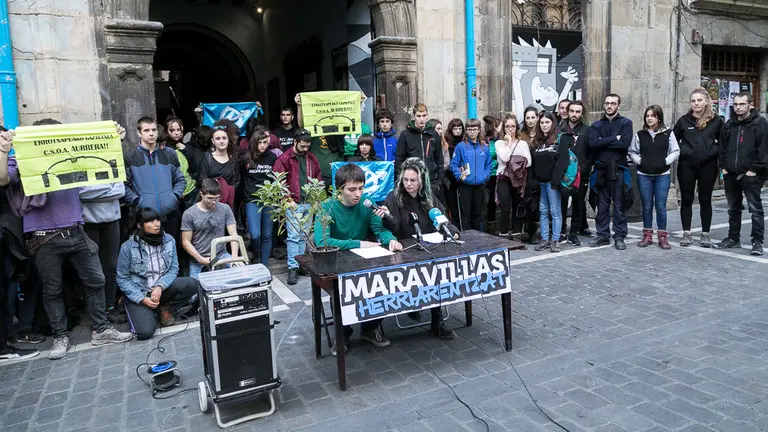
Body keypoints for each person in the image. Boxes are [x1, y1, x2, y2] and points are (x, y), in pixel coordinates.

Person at [1, 123, 133, 360]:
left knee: (96, 279)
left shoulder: (71, 158)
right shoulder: (20, 160)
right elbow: (2, 179)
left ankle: (101, 330)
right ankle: (60, 337)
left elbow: (100, 160)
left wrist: (115, 140)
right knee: (52, 290)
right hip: (43, 237)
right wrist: (3, 151)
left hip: (76, 230)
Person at [314, 164, 402, 355]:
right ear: (340, 189)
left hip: (363, 258)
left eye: (361, 188)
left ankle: (370, 328)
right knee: (339, 290)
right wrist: (358, 243)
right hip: (337, 259)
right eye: (351, 189)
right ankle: (343, 334)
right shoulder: (327, 207)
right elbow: (322, 241)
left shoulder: (366, 203)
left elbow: (379, 230)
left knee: (383, 280)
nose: (357, 194)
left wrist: (391, 240)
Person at [380, 157, 457, 339]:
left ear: (422, 181)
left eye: (413, 180)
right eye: (405, 180)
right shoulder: (393, 198)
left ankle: (437, 320)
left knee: (437, 270)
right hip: (403, 251)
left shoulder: (429, 198)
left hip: (427, 248)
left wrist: (453, 232)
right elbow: (389, 228)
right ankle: (412, 305)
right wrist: (387, 219)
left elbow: (442, 219)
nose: (408, 184)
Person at [117, 208, 199, 339]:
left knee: (193, 284)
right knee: (145, 332)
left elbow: (173, 268)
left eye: (157, 220)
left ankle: (165, 306)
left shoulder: (169, 240)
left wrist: (160, 286)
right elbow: (122, 278)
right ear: (140, 225)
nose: (156, 224)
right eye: (150, 221)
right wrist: (142, 299)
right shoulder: (128, 247)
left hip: (162, 290)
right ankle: (141, 308)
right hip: (140, 292)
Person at [716, 91, 768, 255]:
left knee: (755, 210)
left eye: (742, 104)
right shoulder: (729, 125)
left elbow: (764, 149)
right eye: (736, 104)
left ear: (750, 105)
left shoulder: (759, 123)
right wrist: (723, 168)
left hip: (751, 174)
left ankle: (757, 242)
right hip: (731, 173)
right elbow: (722, 148)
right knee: (733, 208)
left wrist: (754, 170)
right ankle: (733, 238)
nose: (738, 107)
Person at [673, 88, 724, 248]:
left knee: (705, 199)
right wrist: (682, 151)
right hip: (686, 165)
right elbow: (672, 141)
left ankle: (705, 234)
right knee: (687, 199)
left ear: (706, 101)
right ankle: (686, 233)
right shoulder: (684, 121)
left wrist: (715, 154)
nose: (696, 103)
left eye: (699, 100)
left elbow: (723, 143)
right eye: (693, 101)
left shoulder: (716, 121)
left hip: (708, 165)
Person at [123, 117, 187, 240]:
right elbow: (123, 185)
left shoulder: (169, 154)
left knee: (171, 248)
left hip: (170, 214)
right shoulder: (130, 157)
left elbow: (180, 179)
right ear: (139, 133)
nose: (151, 133)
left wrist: (174, 197)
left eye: (153, 130)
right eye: (146, 130)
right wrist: (137, 201)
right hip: (145, 217)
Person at [274, 128, 323, 285]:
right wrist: (287, 199)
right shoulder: (284, 158)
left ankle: (300, 264)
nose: (305, 149)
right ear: (294, 142)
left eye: (308, 146)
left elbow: (318, 178)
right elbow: (279, 182)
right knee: (294, 237)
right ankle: (293, 268)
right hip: (293, 202)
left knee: (303, 236)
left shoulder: (312, 158)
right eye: (302, 146)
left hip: (308, 202)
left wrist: (316, 198)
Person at [629, 105, 680, 249]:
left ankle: (662, 237)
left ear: (659, 117)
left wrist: (665, 161)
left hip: (662, 175)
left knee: (661, 206)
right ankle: (647, 235)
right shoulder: (639, 135)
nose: (649, 118)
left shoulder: (668, 133)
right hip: (644, 175)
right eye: (647, 116)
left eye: (653, 115)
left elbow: (675, 150)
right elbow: (632, 152)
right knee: (646, 206)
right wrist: (640, 161)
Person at [588, 94, 633, 250]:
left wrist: (603, 141)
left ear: (618, 105)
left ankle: (619, 236)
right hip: (601, 170)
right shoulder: (596, 125)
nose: (609, 106)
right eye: (607, 103)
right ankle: (603, 235)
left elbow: (624, 144)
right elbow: (593, 144)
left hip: (619, 169)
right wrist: (614, 138)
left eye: (613, 103)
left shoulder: (626, 123)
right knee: (602, 205)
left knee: (619, 205)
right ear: (604, 105)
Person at [79, 180, 127, 324]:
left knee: (111, 266)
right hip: (88, 223)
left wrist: (93, 193)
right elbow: (80, 193)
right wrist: (107, 188)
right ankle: (96, 311)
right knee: (92, 269)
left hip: (112, 221)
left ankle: (109, 307)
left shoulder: (109, 165)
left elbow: (120, 191)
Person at [181, 178, 242, 278]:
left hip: (221, 254)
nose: (214, 202)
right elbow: (186, 241)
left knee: (239, 273)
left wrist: (234, 258)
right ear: (201, 194)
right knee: (194, 286)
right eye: (210, 198)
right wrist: (200, 259)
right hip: (198, 258)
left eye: (217, 198)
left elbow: (234, 235)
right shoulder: (189, 214)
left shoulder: (225, 209)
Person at [531, 112, 570, 253]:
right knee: (543, 211)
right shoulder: (538, 141)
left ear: (553, 123)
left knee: (555, 211)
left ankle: (555, 240)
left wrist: (555, 181)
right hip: (541, 182)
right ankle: (544, 239)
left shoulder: (560, 139)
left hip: (553, 183)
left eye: (547, 122)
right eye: (542, 123)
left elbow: (563, 161)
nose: (544, 125)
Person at [242, 131, 278, 266]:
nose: (262, 145)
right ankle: (257, 253)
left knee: (267, 235)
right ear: (254, 143)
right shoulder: (246, 158)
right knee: (255, 234)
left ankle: (265, 265)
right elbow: (241, 178)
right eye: (260, 143)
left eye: (265, 143)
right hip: (252, 199)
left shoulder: (272, 157)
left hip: (268, 199)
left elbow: (276, 177)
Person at [559, 101, 592, 244]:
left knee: (578, 204)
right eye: (572, 111)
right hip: (563, 174)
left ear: (582, 113)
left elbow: (591, 152)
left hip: (581, 174)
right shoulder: (560, 129)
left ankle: (574, 232)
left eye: (578, 111)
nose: (574, 114)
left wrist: (585, 166)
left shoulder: (587, 130)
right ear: (567, 111)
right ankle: (562, 230)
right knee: (562, 204)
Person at [450, 118, 492, 231]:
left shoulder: (484, 147)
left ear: (479, 130)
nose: (472, 132)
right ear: (466, 131)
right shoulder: (461, 146)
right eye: (469, 129)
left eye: (474, 129)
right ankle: (467, 237)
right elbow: (453, 165)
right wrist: (460, 176)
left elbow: (488, 165)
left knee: (478, 214)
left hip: (480, 185)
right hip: (465, 185)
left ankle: (478, 237)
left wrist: (485, 176)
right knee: (465, 214)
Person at [395, 103, 444, 199]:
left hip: (431, 181)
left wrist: (439, 182)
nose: (421, 119)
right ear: (414, 116)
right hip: (412, 181)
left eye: (424, 116)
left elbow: (439, 159)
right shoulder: (405, 135)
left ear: (427, 116)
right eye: (418, 116)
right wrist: (401, 181)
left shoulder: (433, 134)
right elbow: (399, 160)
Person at [495, 115, 532, 240]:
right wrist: (509, 143)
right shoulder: (499, 143)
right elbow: (505, 158)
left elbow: (529, 162)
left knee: (517, 206)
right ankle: (503, 235)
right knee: (505, 206)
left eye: (513, 126)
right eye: (507, 126)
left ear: (517, 128)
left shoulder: (523, 144)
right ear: (503, 128)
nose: (510, 129)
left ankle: (517, 235)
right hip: (504, 177)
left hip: (518, 177)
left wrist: (515, 162)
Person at [198, 121, 241, 210]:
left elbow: (237, 181)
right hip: (210, 201)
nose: (221, 141)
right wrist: (215, 193)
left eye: (224, 138)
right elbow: (202, 180)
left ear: (228, 140)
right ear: (213, 141)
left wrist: (226, 191)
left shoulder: (234, 158)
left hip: (228, 203)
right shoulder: (207, 157)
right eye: (218, 138)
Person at [164, 116, 199, 209]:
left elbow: (194, 168)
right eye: (172, 130)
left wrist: (186, 151)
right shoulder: (165, 151)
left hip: (191, 191)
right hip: (176, 194)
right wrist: (177, 191)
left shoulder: (186, 148)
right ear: (166, 132)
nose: (176, 133)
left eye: (178, 130)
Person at [443, 119, 464, 225]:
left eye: (460, 128)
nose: (458, 131)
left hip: (464, 178)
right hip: (450, 180)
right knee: (453, 207)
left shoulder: (465, 142)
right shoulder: (447, 143)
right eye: (455, 129)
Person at [483, 115, 501, 234]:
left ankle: (495, 228)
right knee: (489, 202)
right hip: (488, 175)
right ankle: (489, 228)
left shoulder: (500, 140)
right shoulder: (485, 141)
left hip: (499, 174)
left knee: (497, 202)